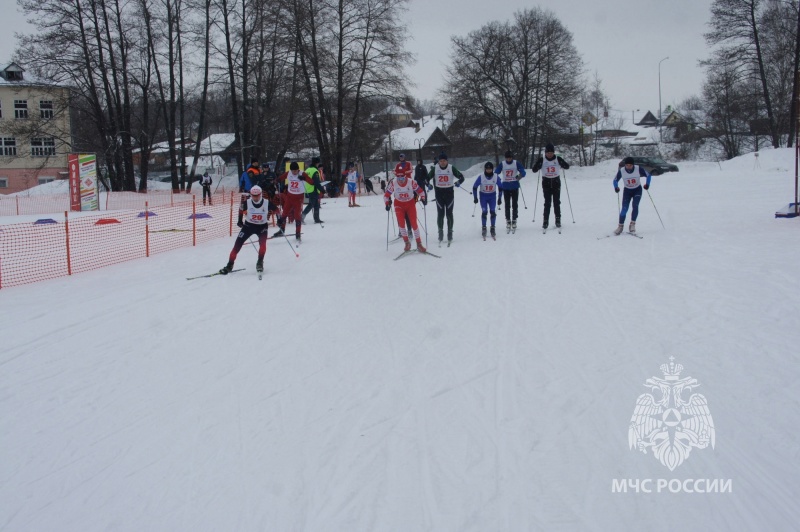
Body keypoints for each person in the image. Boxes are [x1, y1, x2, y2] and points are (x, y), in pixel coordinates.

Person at [219, 185, 271, 275]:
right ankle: (229, 265)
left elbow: (277, 210)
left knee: (262, 246)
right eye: (253, 195)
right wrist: (239, 220)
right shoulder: (247, 202)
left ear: (260, 194)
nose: (255, 197)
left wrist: (280, 219)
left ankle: (260, 262)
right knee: (237, 246)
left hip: (262, 227)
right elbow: (241, 210)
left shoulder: (266, 202)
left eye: (257, 195)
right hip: (248, 226)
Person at [273, 162, 318, 241]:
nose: (294, 172)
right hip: (290, 196)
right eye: (293, 171)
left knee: (297, 215)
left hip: (299, 198)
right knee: (284, 213)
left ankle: (298, 233)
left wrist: (304, 178)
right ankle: (281, 230)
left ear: (298, 169)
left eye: (296, 170)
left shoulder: (302, 173)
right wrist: (276, 180)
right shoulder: (289, 173)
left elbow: (312, 182)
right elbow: (280, 178)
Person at [384, 171, 427, 253]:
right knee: (401, 224)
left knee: (414, 223)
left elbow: (420, 191)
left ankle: (419, 244)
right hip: (399, 204)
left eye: (402, 178)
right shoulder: (394, 183)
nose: (401, 180)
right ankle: (407, 243)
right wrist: (387, 203)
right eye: (399, 178)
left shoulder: (411, 182)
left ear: (405, 177)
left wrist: (423, 198)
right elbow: (386, 195)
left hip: (410, 203)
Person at [427, 152, 465, 244]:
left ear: (447, 161)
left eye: (444, 161)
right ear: (439, 161)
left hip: (449, 194)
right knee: (440, 214)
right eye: (441, 161)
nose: (442, 162)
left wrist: (459, 182)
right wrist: (428, 184)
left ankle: (450, 232)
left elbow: (461, 177)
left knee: (449, 213)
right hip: (439, 194)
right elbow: (426, 178)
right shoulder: (435, 168)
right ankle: (440, 232)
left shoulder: (451, 168)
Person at [531, 143, 570, 230]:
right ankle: (545, 220)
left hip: (556, 182)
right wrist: (538, 165)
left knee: (557, 202)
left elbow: (567, 166)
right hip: (546, 182)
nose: (549, 154)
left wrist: (562, 163)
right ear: (545, 153)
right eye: (548, 153)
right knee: (547, 202)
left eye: (551, 152)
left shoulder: (557, 159)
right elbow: (534, 170)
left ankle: (558, 219)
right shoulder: (542, 160)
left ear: (553, 152)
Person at [613, 156, 651, 235]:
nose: (628, 167)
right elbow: (615, 180)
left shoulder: (638, 168)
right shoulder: (622, 171)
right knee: (624, 209)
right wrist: (616, 187)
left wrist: (647, 184)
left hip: (637, 190)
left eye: (630, 165)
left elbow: (648, 175)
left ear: (633, 165)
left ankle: (632, 224)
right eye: (627, 165)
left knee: (635, 205)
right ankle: (620, 226)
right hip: (627, 191)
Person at [495, 150, 527, 232]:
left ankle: (514, 219)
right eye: (507, 158)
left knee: (514, 204)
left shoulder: (516, 163)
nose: (508, 159)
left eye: (510, 158)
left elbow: (523, 171)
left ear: (512, 157)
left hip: (514, 186)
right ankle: (508, 220)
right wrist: (497, 178)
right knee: (507, 205)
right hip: (506, 186)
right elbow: (496, 172)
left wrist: (519, 176)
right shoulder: (502, 164)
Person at [472, 161, 502, 239]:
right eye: (487, 169)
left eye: (490, 169)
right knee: (484, 212)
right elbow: (475, 187)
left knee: (492, 211)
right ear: (485, 169)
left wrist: (499, 198)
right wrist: (475, 197)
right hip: (483, 196)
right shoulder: (481, 177)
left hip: (492, 196)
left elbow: (501, 187)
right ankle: (484, 227)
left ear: (492, 169)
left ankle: (492, 227)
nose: (489, 170)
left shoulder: (496, 176)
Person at [302, 157, 325, 224]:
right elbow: (316, 182)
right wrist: (322, 190)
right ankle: (302, 216)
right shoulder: (315, 171)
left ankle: (317, 219)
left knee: (316, 204)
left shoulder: (307, 170)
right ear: (317, 163)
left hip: (307, 189)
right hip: (313, 190)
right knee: (311, 204)